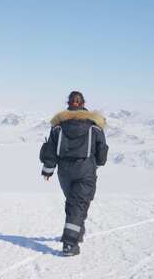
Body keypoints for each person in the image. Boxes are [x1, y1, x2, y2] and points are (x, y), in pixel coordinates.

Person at [39, 91, 109, 256]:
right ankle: (70, 244)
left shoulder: (58, 126)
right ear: (83, 103)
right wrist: (96, 164)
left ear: (68, 104)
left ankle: (77, 233)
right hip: (85, 170)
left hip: (64, 171)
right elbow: (102, 154)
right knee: (78, 204)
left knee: (73, 201)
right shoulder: (94, 126)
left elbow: (50, 151)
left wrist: (48, 170)